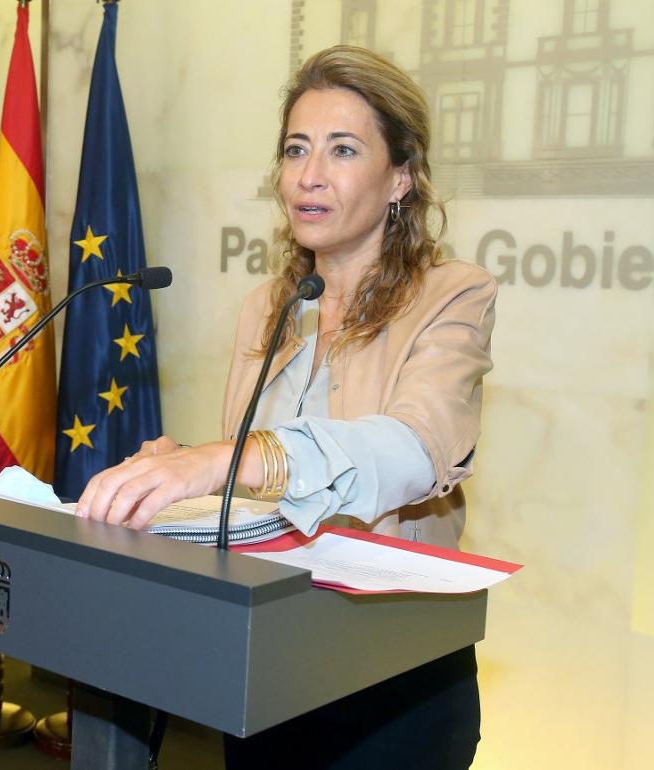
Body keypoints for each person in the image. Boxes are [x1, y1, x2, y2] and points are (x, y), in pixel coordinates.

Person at [76, 45, 496, 769]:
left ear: (401, 176)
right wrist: (182, 472)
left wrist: (232, 460)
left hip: (391, 672)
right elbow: (251, 497)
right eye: (296, 149)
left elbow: (415, 450)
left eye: (342, 150)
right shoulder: (269, 308)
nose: (309, 175)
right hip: (266, 661)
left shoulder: (452, 295)